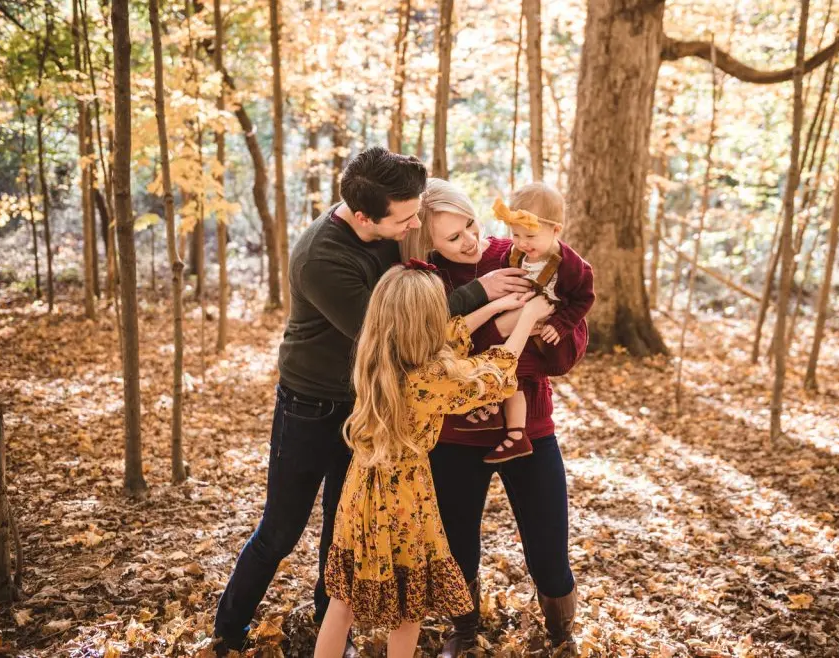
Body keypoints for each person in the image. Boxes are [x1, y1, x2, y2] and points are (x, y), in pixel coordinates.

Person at [211, 149, 533, 657]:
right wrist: (481, 293)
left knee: (344, 527)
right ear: (364, 217)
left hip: (371, 404)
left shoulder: (389, 230)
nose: (413, 227)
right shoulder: (322, 258)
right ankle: (228, 631)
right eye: (405, 219)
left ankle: (328, 632)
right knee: (282, 526)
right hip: (313, 402)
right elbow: (397, 332)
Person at [313, 262, 554, 658]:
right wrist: (527, 317)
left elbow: (449, 335)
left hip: (360, 493)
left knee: (343, 602)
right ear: (424, 322)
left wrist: (494, 309)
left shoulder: (376, 355)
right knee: (409, 611)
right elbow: (494, 375)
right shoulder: (430, 378)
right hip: (405, 499)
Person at [400, 179, 587, 656]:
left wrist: (543, 334)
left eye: (470, 225)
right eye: (453, 237)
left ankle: (561, 630)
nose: (470, 240)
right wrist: (501, 325)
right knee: (457, 542)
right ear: (429, 244)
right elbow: (428, 354)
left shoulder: (519, 252)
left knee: (548, 546)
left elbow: (566, 344)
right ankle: (463, 629)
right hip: (456, 436)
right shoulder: (424, 282)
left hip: (530, 428)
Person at [486, 183, 595, 463]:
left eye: (530, 235)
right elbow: (506, 274)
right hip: (522, 321)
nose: (522, 242)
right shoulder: (515, 254)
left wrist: (560, 324)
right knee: (509, 369)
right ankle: (514, 431)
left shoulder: (572, 267)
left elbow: (583, 300)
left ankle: (504, 419)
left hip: (557, 333)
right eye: (515, 234)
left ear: (555, 230)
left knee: (518, 369)